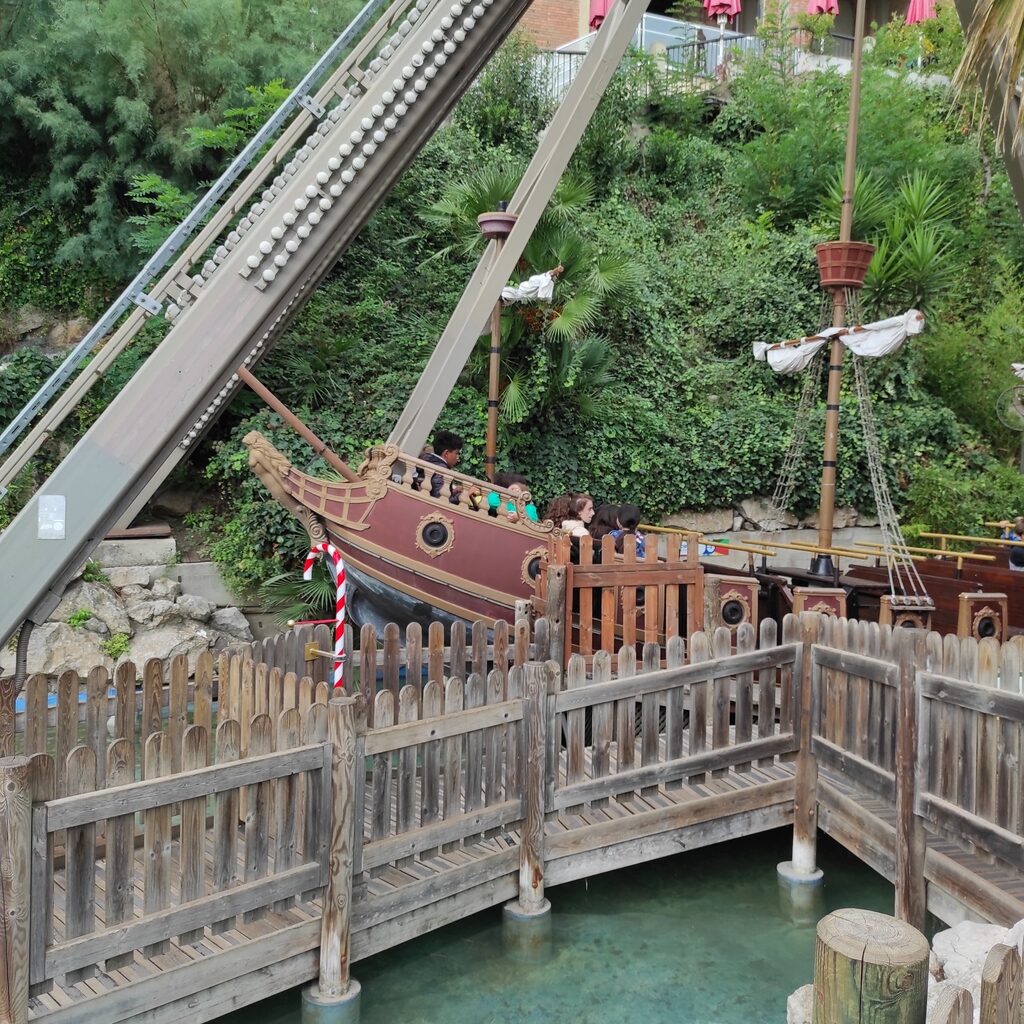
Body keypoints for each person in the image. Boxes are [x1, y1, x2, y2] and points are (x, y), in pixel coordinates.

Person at [414, 430, 465, 504]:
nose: (457, 457)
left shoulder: (429, 461)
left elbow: (434, 490)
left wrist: (454, 492)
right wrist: (465, 495)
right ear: (446, 453)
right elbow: (441, 500)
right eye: (456, 453)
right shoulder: (442, 470)